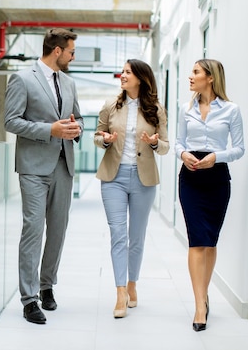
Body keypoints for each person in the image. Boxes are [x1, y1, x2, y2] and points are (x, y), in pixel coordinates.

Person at [4, 28, 84, 324]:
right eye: (72, 52)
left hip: (64, 166)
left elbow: (79, 118)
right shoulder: (22, 79)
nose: (74, 57)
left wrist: (77, 129)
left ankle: (47, 285)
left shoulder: (69, 82)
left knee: (58, 231)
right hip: (34, 168)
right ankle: (29, 299)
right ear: (58, 51)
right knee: (33, 230)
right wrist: (49, 130)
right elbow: (11, 121)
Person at [93, 59, 169, 319]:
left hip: (143, 178)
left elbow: (167, 145)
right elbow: (97, 134)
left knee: (136, 237)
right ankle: (120, 292)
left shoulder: (155, 109)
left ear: (140, 78)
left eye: (127, 72)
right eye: (122, 72)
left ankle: (133, 283)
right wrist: (104, 140)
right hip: (113, 177)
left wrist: (155, 143)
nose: (122, 76)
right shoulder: (110, 106)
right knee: (118, 234)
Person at [175, 59, 244, 332]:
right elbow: (179, 142)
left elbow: (239, 149)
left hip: (216, 177)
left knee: (210, 241)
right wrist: (183, 153)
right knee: (196, 241)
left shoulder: (231, 110)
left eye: (195, 72)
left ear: (210, 78)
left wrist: (217, 157)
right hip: (190, 177)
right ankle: (199, 305)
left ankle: (203, 294)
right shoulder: (186, 108)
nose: (190, 77)